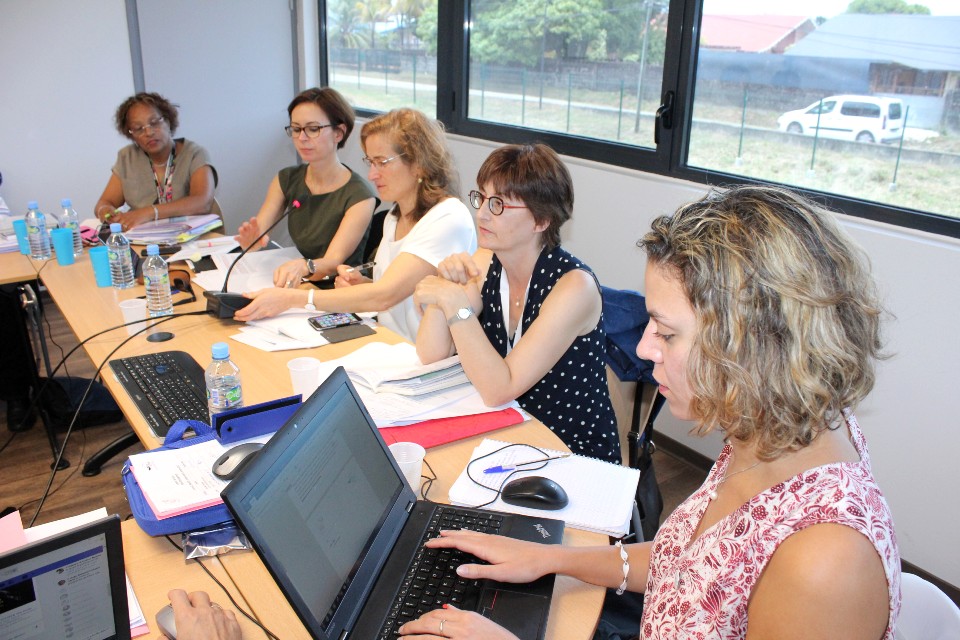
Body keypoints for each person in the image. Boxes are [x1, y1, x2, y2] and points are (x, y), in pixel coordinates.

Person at [397, 185, 901, 639]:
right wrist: (550, 558)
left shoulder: (825, 562)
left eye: (667, 332)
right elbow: (694, 564)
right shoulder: (771, 430)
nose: (642, 348)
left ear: (754, 347)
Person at [413, 144, 620, 463]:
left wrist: (455, 305)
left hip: (571, 453)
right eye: (481, 198)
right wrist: (447, 285)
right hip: (510, 434)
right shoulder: (485, 263)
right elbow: (431, 354)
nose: (482, 213)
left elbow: (500, 388)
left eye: (498, 204)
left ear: (541, 220)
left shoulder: (574, 287)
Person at [234, 108, 477, 342]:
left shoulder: (448, 217)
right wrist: (365, 285)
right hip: (390, 342)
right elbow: (396, 291)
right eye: (370, 162)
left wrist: (292, 298)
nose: (372, 174)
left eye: (382, 162)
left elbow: (385, 295)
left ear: (419, 164)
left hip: (426, 357)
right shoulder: (395, 215)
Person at [234, 87, 378, 288]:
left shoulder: (360, 195)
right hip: (301, 281)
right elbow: (260, 230)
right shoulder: (286, 179)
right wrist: (252, 241)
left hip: (338, 288)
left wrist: (304, 266)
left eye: (313, 129)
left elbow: (332, 262)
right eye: (296, 129)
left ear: (338, 132)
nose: (302, 138)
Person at [94, 92, 217, 231]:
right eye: (139, 129)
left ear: (168, 121)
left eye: (154, 123)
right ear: (131, 135)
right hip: (142, 239)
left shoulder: (194, 154)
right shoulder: (127, 157)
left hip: (190, 237)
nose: (149, 132)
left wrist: (150, 212)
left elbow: (202, 202)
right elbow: (105, 202)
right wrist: (105, 211)